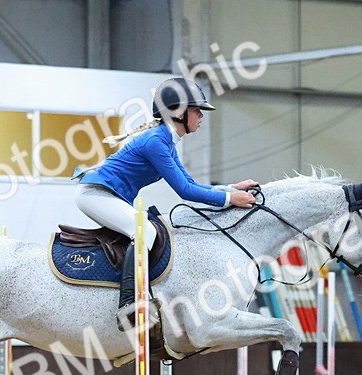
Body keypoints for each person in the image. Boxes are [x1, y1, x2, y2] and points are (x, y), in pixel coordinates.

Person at [75, 77, 258, 329]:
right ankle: (129, 305)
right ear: (178, 113)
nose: (201, 116)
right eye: (196, 110)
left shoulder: (166, 141)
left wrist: (230, 189)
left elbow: (190, 183)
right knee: (145, 231)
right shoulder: (156, 142)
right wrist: (229, 199)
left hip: (106, 194)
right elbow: (185, 191)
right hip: (95, 195)